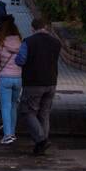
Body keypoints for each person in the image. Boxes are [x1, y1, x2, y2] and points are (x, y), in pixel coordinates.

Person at [16, 16, 62, 156]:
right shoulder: (56, 42)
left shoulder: (28, 42)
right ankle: (41, 144)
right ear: (46, 27)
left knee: (28, 111)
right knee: (44, 113)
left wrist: (16, 58)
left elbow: (21, 60)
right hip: (51, 82)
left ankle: (41, 140)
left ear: (32, 28)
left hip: (33, 82)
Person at [0, 19, 23, 145]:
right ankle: (12, 133)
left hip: (4, 79)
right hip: (18, 79)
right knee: (14, 105)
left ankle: (7, 135)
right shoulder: (22, 44)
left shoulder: (0, 44)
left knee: (5, 106)